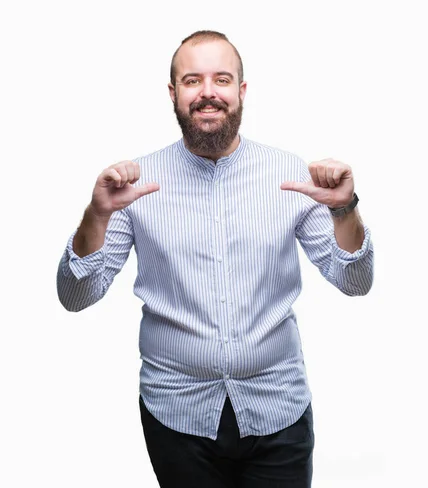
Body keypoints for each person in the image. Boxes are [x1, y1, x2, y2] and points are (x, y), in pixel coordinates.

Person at [57, 30, 374, 488]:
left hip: (277, 410)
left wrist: (344, 208)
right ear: (174, 94)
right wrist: (97, 216)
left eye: (221, 79)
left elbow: (355, 280)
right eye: (192, 80)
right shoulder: (134, 186)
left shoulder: (291, 177)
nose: (208, 92)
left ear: (241, 91)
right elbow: (75, 295)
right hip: (177, 416)